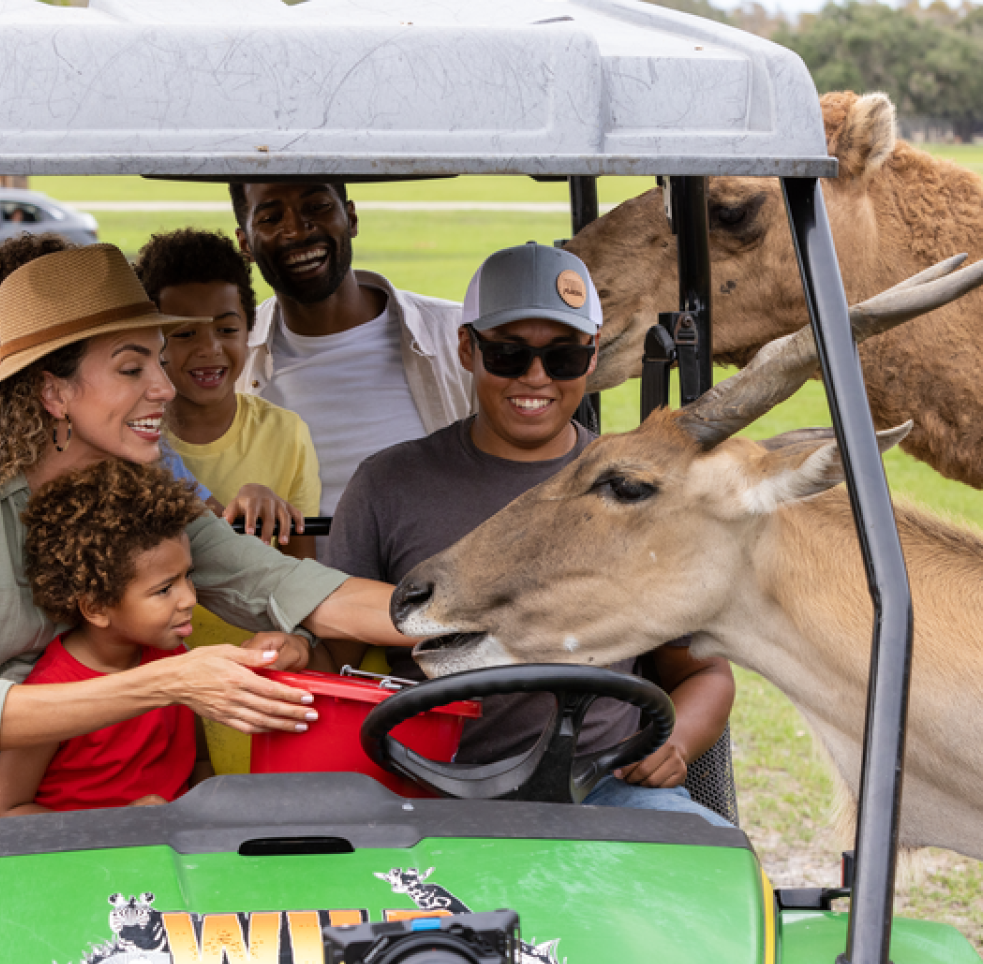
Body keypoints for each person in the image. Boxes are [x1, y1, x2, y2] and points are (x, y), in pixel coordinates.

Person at [327, 243, 736, 822]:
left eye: (563, 356)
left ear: (593, 355)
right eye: (510, 354)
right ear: (467, 348)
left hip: (601, 781)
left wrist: (677, 743)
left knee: (712, 885)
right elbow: (328, 657)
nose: (537, 378)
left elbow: (702, 671)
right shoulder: (387, 485)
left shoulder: (637, 492)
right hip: (425, 787)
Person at [0, 241, 409, 752]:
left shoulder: (143, 491)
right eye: (132, 369)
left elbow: (281, 582)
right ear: (53, 393)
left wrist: (469, 615)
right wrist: (170, 683)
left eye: (159, 359)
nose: (165, 388)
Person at [230, 180, 474, 564]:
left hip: (431, 608)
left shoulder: (456, 336)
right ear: (245, 243)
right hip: (289, 615)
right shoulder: (228, 359)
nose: (296, 229)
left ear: (352, 217)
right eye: (272, 217)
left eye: (318, 206)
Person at [0, 460, 220, 814]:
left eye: (187, 577)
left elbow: (199, 767)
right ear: (96, 608)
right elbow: (10, 811)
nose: (190, 598)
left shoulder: (178, 659)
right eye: (164, 589)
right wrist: (117, 827)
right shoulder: (50, 694)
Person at [135, 228, 321, 558]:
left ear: (249, 328)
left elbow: (305, 573)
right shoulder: (130, 439)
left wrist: (268, 512)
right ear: (150, 339)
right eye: (186, 332)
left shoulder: (287, 434)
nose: (209, 347)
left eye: (227, 329)